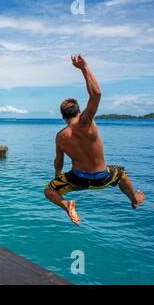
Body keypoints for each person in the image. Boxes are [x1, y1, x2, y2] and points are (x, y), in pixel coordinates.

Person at [44, 55, 145, 225]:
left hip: (77, 179)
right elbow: (96, 94)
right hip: (102, 177)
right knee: (120, 174)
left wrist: (57, 176)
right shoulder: (85, 122)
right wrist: (84, 68)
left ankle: (67, 204)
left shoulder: (60, 137)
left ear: (62, 117)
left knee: (49, 191)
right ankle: (134, 199)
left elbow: (58, 161)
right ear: (79, 111)